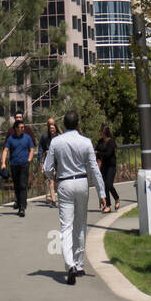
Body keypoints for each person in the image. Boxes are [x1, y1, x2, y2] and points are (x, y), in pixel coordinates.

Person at [43, 110, 107, 285]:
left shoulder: (56, 142)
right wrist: (102, 193)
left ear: (63, 125)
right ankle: (79, 264)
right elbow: (94, 168)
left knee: (66, 226)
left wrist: (52, 175)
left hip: (64, 182)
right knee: (81, 224)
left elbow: (47, 168)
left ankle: (69, 263)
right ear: (78, 124)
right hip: (81, 182)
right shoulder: (86, 142)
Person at [0, 119, 35, 216]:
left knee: (23, 185)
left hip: (24, 164)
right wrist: (3, 163)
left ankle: (22, 208)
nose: (23, 129)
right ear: (16, 128)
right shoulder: (11, 139)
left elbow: (32, 149)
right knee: (17, 186)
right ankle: (19, 204)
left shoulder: (27, 138)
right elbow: (5, 150)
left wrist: (29, 160)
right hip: (14, 165)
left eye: (23, 127)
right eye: (21, 127)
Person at [95, 123, 120, 211]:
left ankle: (116, 198)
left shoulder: (111, 142)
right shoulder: (100, 142)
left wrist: (98, 153)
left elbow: (108, 154)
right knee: (104, 185)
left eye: (101, 131)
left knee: (109, 184)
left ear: (104, 132)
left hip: (111, 166)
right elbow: (96, 151)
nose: (100, 133)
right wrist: (97, 159)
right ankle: (108, 205)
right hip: (103, 166)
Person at [38, 118, 60, 206]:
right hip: (48, 159)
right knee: (49, 179)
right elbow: (40, 149)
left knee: (57, 178)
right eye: (50, 126)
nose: (52, 129)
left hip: (58, 159)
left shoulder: (59, 136)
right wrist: (41, 162)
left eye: (53, 126)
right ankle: (51, 197)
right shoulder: (44, 136)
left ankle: (57, 195)